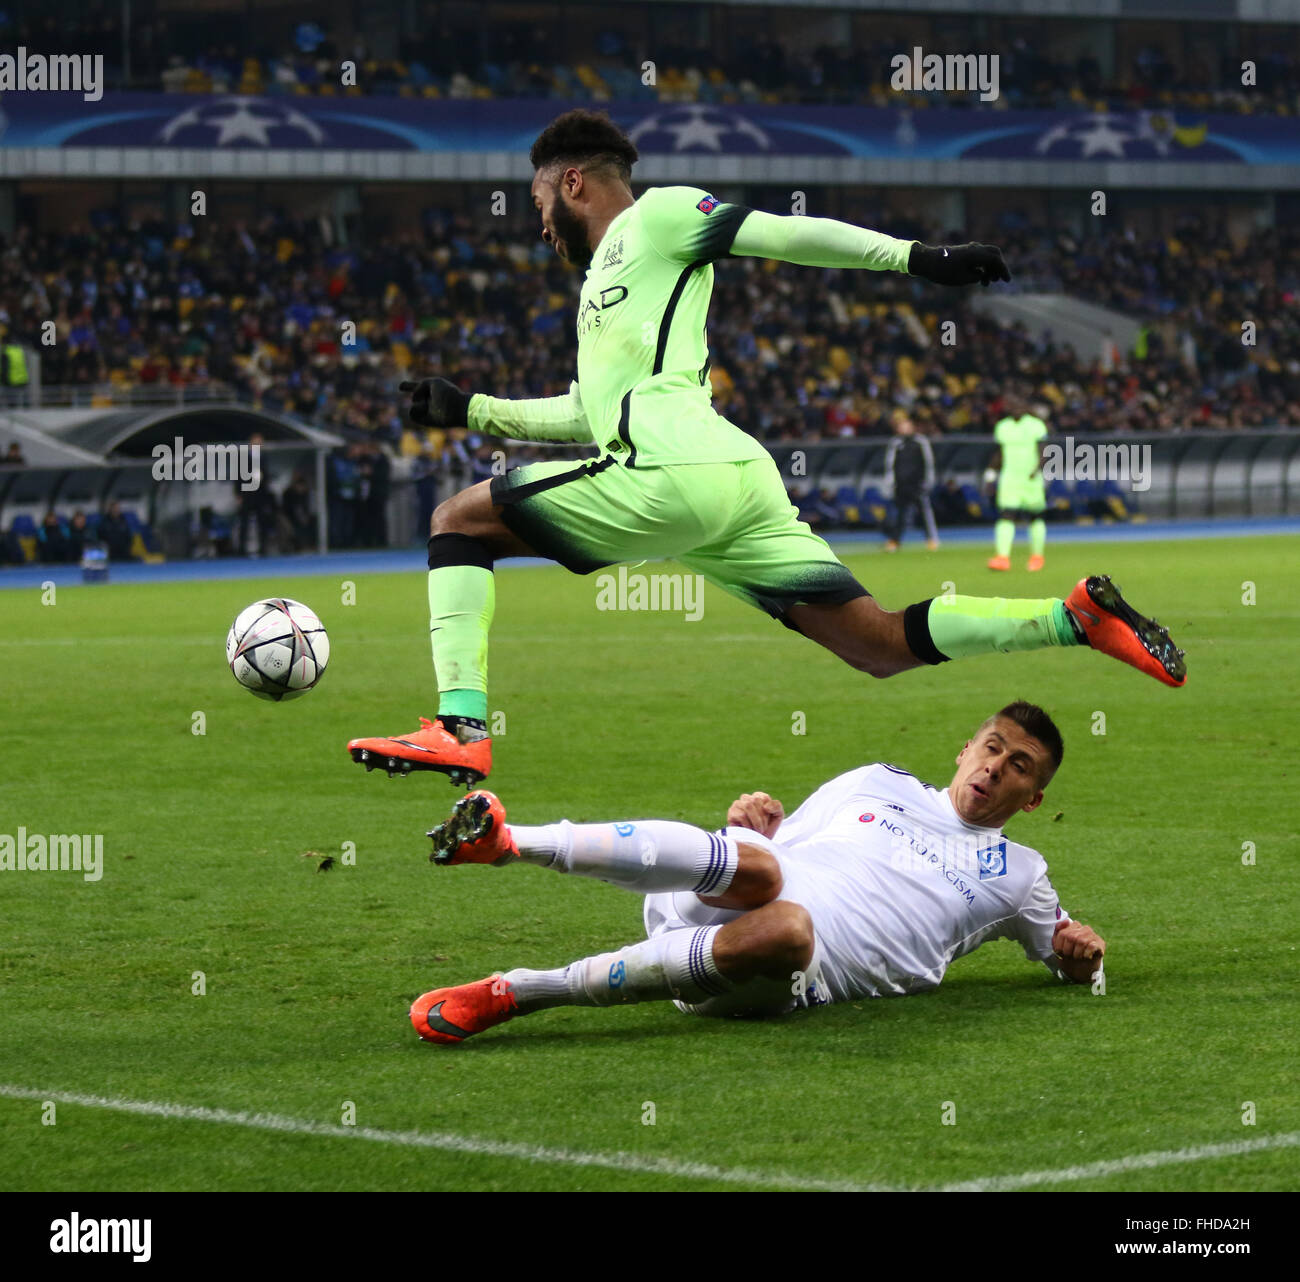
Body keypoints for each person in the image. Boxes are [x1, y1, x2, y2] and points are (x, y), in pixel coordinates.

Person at [346, 110, 1184, 788]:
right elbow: (590, 413)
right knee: (877, 645)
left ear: (572, 182)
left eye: (538, 207)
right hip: (730, 481)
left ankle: (460, 729)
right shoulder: (609, 290)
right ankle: (1072, 618)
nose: (540, 229)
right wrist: (474, 409)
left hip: (675, 469)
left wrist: (916, 259)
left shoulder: (660, 215)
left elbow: (784, 233)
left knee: (458, 518)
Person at [407, 701, 1106, 1044]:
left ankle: (524, 992)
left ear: (1033, 797)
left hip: (780, 970)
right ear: (964, 750)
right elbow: (783, 842)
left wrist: (1082, 954)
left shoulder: (1020, 875)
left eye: (1018, 766)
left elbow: (1069, 957)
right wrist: (755, 824)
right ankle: (507, 841)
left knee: (791, 925)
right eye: (992, 747)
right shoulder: (876, 781)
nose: (994, 767)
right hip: (714, 899)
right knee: (765, 870)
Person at [988, 388, 1049, 572]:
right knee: (1007, 514)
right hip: (1009, 478)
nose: (1015, 408)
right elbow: (999, 453)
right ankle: (1002, 558)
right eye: (1011, 405)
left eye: (1018, 404)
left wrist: (1037, 469)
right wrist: (990, 474)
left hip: (1031, 478)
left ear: (1025, 406)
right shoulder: (1002, 427)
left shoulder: (1036, 425)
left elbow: (1044, 450)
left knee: (1035, 516)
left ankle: (1037, 557)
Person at [882, 411, 939, 552]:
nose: (904, 429)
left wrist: (928, 480)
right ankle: (895, 541)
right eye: (902, 426)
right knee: (900, 514)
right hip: (901, 485)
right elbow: (890, 464)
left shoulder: (921, 442)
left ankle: (931, 539)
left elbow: (928, 462)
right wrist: (889, 482)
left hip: (918, 483)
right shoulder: (895, 443)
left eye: (907, 426)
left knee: (924, 512)